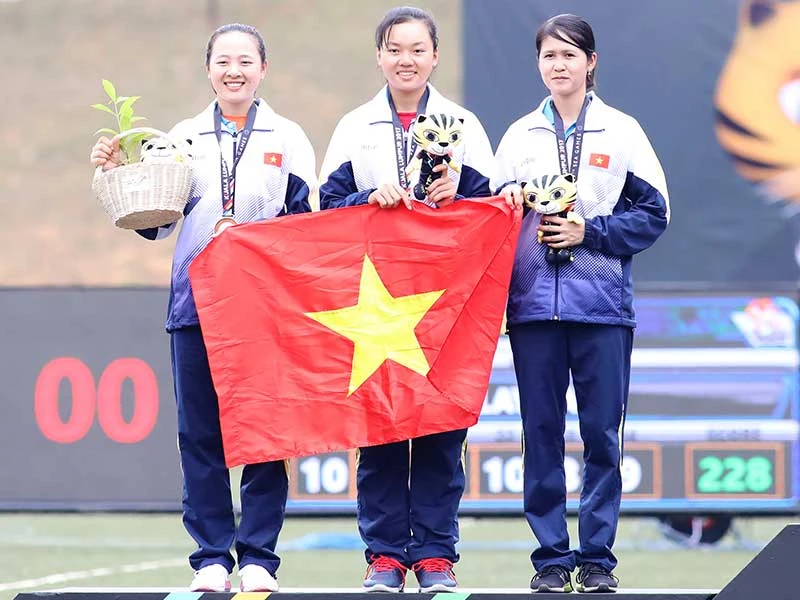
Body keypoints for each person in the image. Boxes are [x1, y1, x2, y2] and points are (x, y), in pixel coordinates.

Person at [89, 23, 315, 593]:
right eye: (223, 61)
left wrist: (252, 243)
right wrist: (118, 174)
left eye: (245, 61)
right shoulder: (180, 138)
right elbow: (156, 221)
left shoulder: (289, 137)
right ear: (208, 69)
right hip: (196, 304)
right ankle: (211, 557)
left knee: (267, 436)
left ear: (263, 69)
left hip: (264, 308)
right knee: (199, 435)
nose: (234, 71)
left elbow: (305, 223)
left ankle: (259, 557)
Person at [317, 6, 495, 594]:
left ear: (435, 56)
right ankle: (386, 556)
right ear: (379, 56)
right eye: (395, 49)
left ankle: (437, 555)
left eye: (417, 49)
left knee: (442, 430)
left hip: (446, 304)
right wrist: (370, 195)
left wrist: (459, 191)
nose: (406, 60)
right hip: (374, 303)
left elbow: (497, 210)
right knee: (381, 432)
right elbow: (324, 205)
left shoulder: (463, 123)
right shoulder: (355, 127)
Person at [493, 13, 670, 594]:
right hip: (533, 311)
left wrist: (588, 233)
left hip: (602, 309)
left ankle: (597, 560)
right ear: (538, 63)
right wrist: (508, 200)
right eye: (549, 55)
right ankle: (550, 559)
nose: (559, 65)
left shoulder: (622, 132)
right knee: (540, 436)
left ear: (591, 63)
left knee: (601, 437)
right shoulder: (519, 137)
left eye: (570, 55)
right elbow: (489, 219)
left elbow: (655, 214)